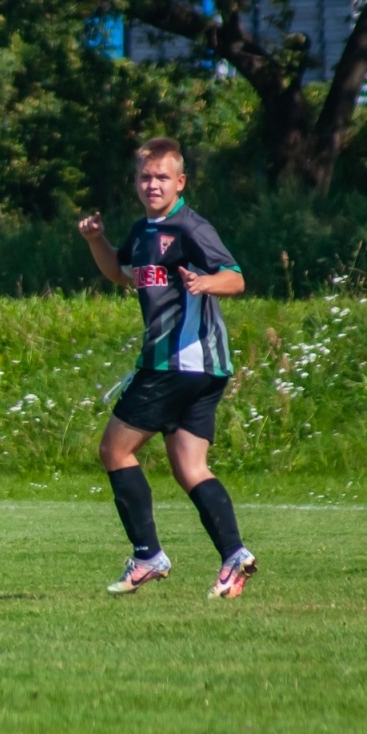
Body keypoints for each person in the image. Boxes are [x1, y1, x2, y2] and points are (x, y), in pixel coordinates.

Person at [78, 136, 258, 599]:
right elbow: (120, 274)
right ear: (136, 182)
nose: (152, 184)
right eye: (145, 176)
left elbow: (235, 278)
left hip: (176, 363)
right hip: (205, 369)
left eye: (162, 177)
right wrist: (97, 240)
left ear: (181, 182)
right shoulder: (143, 231)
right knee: (189, 467)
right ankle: (234, 556)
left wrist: (206, 282)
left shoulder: (189, 227)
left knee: (114, 450)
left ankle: (147, 555)